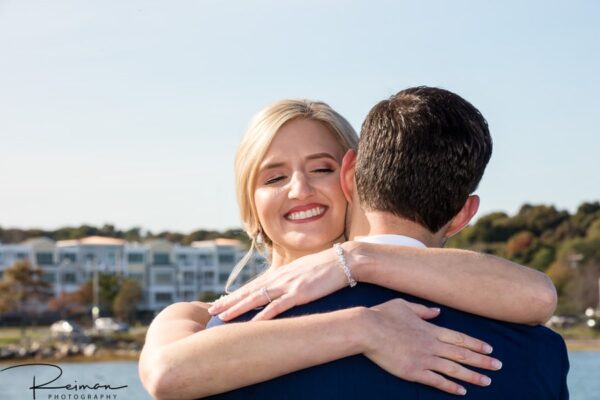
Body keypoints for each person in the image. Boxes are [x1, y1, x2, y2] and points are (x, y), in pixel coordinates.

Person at [139, 99, 557, 399]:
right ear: (250, 200)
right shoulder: (199, 318)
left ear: (353, 176)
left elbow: (537, 294)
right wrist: (362, 328)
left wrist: (355, 258)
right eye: (274, 177)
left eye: (321, 168)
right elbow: (166, 373)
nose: (300, 190)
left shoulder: (425, 278)